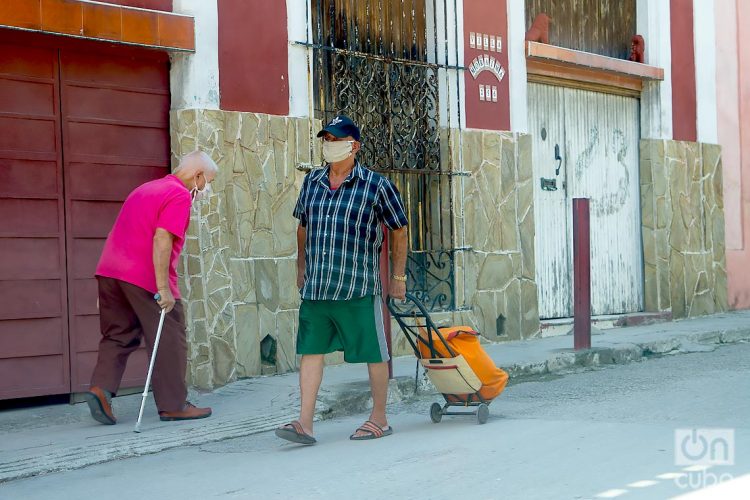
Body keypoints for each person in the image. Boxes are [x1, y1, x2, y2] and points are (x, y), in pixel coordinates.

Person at [276, 115, 409, 445]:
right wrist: (300, 266)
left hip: (357, 286)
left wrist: (398, 276)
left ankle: (379, 418)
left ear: (354, 146)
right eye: (326, 140)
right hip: (318, 286)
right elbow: (303, 226)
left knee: (374, 353)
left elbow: (400, 229)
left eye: (336, 140)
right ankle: (304, 424)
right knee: (310, 351)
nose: (329, 146)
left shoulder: (377, 186)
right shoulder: (312, 182)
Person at [85, 151, 217, 425]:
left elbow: (116, 231)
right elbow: (162, 239)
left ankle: (101, 390)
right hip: (142, 275)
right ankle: (173, 404)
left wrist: (107, 283)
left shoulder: (145, 189)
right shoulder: (179, 195)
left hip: (111, 271)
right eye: (208, 182)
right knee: (170, 336)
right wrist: (163, 288)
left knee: (118, 334)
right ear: (198, 176)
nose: (206, 189)